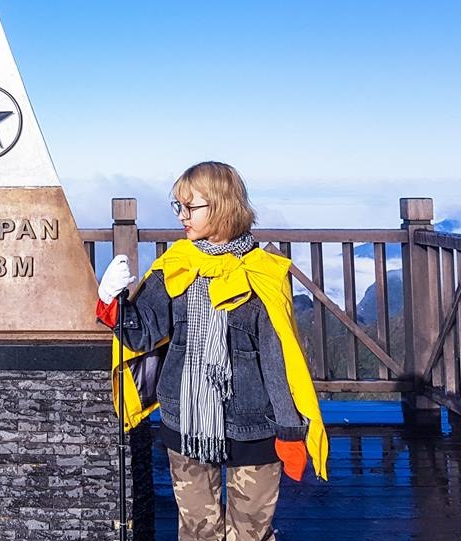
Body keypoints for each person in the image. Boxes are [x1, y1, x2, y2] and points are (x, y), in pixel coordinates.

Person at [96, 161, 327, 541]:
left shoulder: (264, 273)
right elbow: (141, 336)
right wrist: (111, 302)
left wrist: (290, 430)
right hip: (184, 419)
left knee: (251, 533)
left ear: (221, 206)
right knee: (197, 530)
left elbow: (277, 358)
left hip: (255, 424)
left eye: (191, 207)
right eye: (178, 207)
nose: (182, 217)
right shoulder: (174, 266)